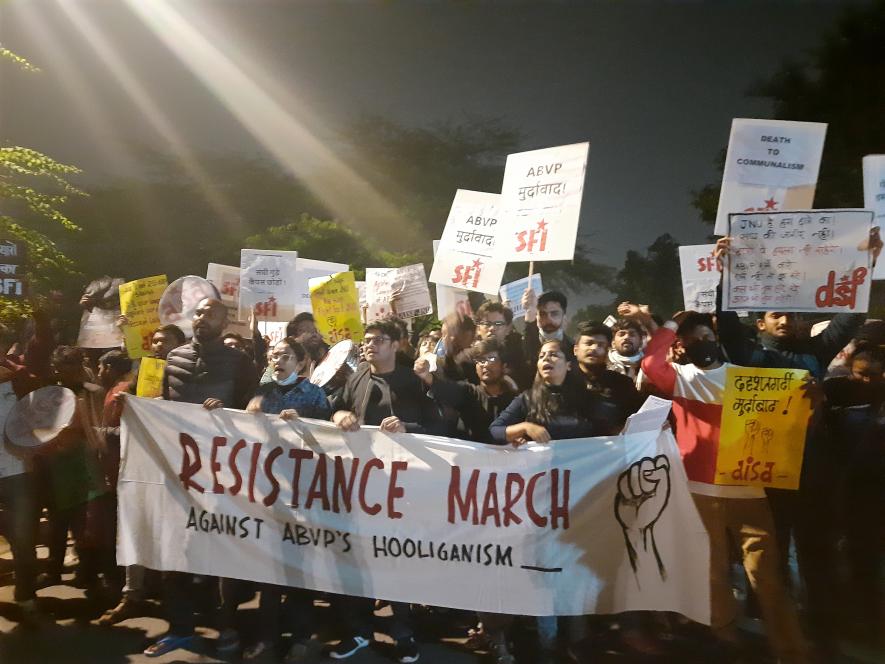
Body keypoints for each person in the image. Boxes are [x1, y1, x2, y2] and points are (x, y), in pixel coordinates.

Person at [714, 229, 882, 660]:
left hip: (812, 472)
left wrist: (865, 264)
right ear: (761, 323)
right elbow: (727, 323)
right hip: (762, 475)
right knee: (766, 558)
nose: (785, 320)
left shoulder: (815, 352)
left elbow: (848, 316)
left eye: (791, 314)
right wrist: (725, 275)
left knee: (816, 553)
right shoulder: (748, 355)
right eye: (775, 314)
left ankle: (821, 628)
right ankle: (768, 627)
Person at [622, 303, 808, 663]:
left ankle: (790, 649)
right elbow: (650, 363)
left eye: (706, 337)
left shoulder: (749, 378)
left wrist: (809, 396)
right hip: (700, 492)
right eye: (692, 341)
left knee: (766, 576)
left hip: (749, 490)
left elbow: (791, 415)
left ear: (717, 339)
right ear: (682, 346)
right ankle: (727, 640)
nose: (701, 343)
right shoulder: (683, 378)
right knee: (711, 573)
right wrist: (672, 320)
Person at [145, 298, 257, 658]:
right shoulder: (173, 357)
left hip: (223, 471)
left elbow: (253, 407)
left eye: (211, 314)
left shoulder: (239, 362)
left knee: (222, 551)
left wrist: (239, 410)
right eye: (198, 313)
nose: (202, 318)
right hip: (179, 469)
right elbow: (163, 405)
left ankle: (226, 623)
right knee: (174, 548)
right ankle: (180, 628)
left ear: (224, 324)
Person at [328, 319, 439, 662]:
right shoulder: (358, 375)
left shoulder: (411, 382)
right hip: (360, 484)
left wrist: (408, 428)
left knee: (394, 560)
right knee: (357, 558)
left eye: (378, 340)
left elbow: (438, 426)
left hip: (401, 489)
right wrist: (340, 415)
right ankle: (359, 630)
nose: (370, 345)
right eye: (367, 340)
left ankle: (403, 633)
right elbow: (336, 407)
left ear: (396, 345)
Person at [488, 339, 596, 662]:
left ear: (569, 364)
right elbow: (493, 430)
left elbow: (610, 434)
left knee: (576, 570)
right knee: (544, 573)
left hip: (579, 498)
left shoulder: (586, 400)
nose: (547, 359)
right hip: (537, 502)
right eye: (542, 356)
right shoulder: (526, 399)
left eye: (555, 355)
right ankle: (547, 643)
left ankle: (578, 640)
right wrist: (523, 427)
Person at [241, 337, 331, 661]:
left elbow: (328, 443)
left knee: (299, 570)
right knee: (269, 572)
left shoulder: (315, 395)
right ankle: (267, 638)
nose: (278, 361)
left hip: (303, 495)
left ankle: (302, 638)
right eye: (274, 355)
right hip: (267, 492)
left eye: (286, 356)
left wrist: (305, 425)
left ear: (301, 362)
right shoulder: (261, 394)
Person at [822, 343, 884, 639]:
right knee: (859, 562)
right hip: (852, 497)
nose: (868, 381)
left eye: (875, 375)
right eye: (861, 375)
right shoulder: (838, 396)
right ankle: (863, 621)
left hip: (872, 496)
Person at [0, 315, 52, 625]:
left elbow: (41, 420)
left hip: (17, 470)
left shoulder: (21, 379)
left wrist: (32, 450)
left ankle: (26, 596)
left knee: (24, 537)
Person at [414, 339, 518, 444]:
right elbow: (446, 388)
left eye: (491, 358)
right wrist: (426, 376)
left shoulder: (516, 401)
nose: (485, 365)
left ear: (504, 365)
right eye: (480, 360)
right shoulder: (468, 393)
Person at [572, 321, 642, 434]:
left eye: (600, 345)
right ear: (575, 349)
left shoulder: (624, 384)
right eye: (589, 343)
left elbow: (637, 421)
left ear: (607, 351)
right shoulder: (561, 382)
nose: (594, 348)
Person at [475, 301, 530, 389]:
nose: (492, 328)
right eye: (487, 324)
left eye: (498, 324)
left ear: (508, 328)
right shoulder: (469, 357)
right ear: (478, 328)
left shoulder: (520, 355)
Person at [521, 289, 574, 364]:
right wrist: (530, 312)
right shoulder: (521, 346)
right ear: (536, 316)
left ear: (563, 315)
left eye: (554, 313)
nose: (548, 319)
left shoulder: (574, 348)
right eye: (543, 314)